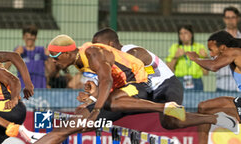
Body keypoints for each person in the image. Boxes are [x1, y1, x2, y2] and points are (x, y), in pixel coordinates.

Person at [0, 34, 192, 144]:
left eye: (54, 58)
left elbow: (108, 80)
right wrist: (92, 99)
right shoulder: (80, 61)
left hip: (138, 87)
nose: (53, 63)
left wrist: (96, 109)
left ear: (65, 53)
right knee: (67, 126)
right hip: (121, 90)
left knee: (73, 124)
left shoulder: (91, 53)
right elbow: (106, 83)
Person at [90, 28, 235, 131]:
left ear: (109, 45)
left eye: (98, 47)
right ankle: (81, 122)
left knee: (171, 122)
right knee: (106, 110)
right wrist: (93, 95)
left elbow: (123, 81)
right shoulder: (111, 62)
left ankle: (214, 119)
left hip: (167, 86)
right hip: (148, 93)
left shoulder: (133, 52)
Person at [177, 30, 241, 144]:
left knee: (205, 107)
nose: (211, 54)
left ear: (222, 47)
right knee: (204, 107)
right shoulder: (235, 54)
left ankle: (228, 122)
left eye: (211, 50)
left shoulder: (233, 52)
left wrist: (195, 58)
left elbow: (213, 66)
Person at [166, 25, 208, 91]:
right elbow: (168, 70)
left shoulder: (199, 47)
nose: (183, 36)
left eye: (185, 33)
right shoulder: (175, 47)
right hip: (180, 80)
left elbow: (206, 73)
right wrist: (175, 57)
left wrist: (204, 58)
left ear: (191, 34)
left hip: (196, 80)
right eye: (181, 33)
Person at [215, 6, 241, 92]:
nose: (230, 20)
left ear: (238, 19)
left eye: (233, 17)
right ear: (224, 19)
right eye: (227, 17)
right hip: (222, 84)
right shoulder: (217, 39)